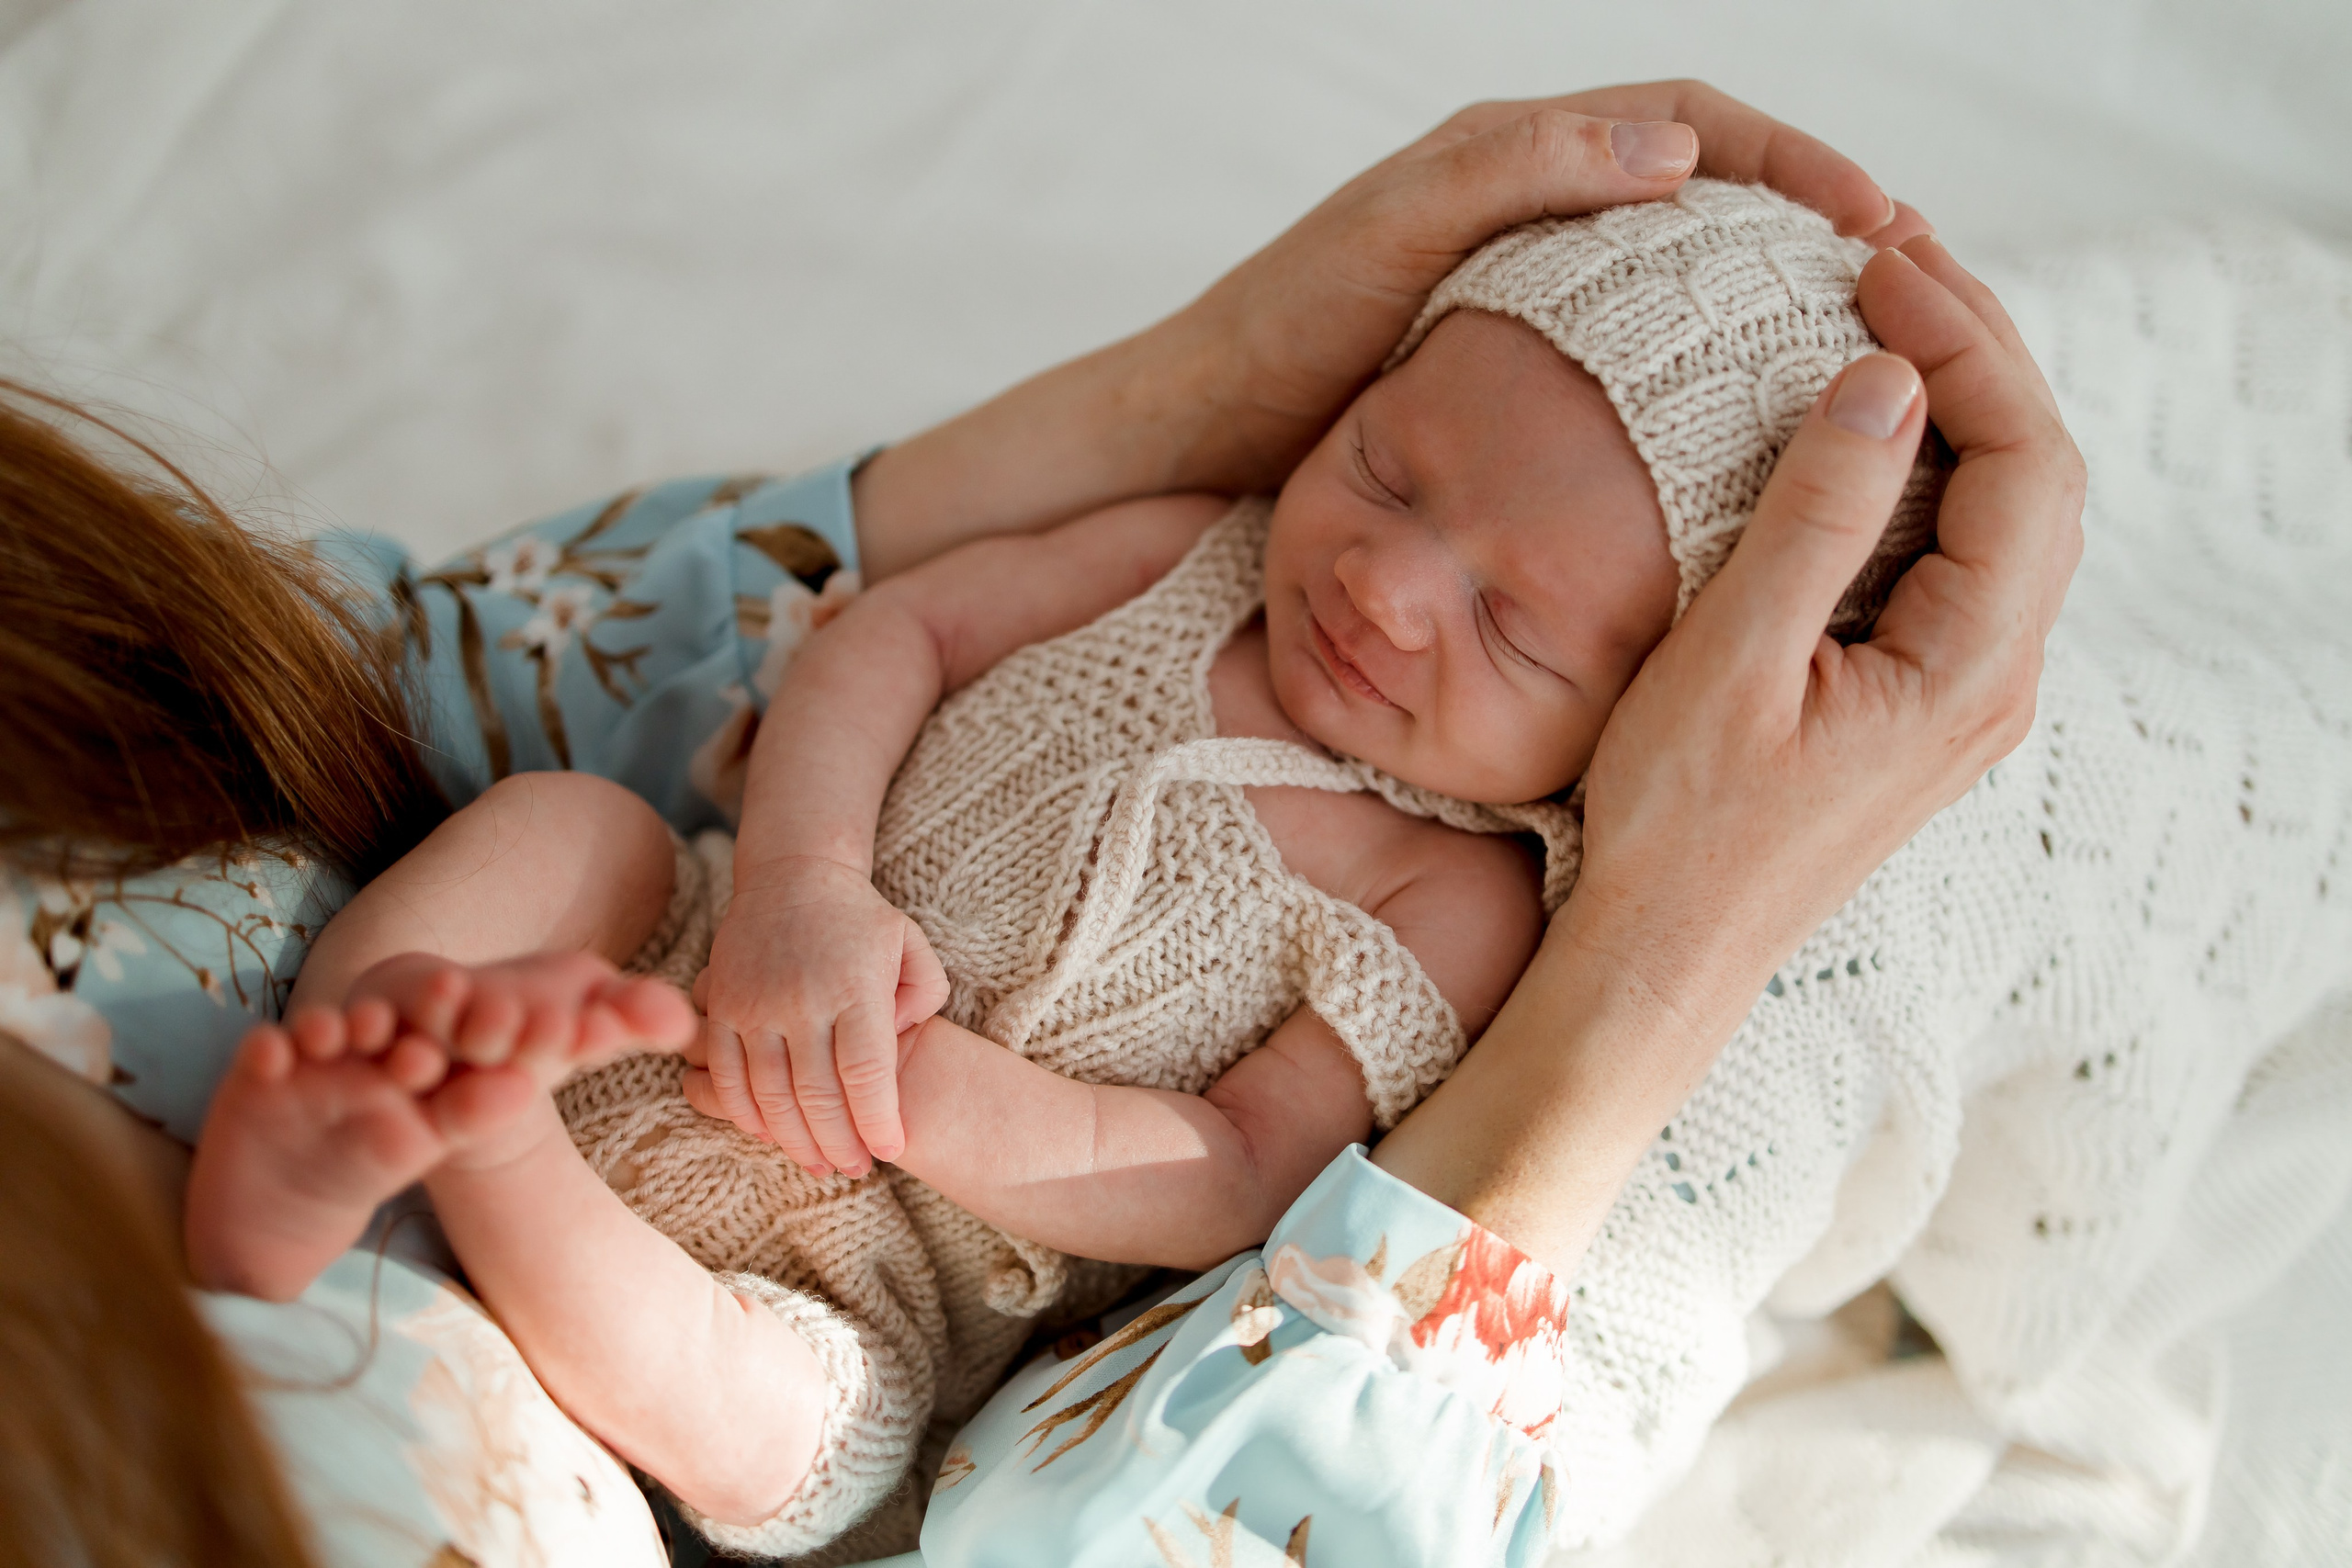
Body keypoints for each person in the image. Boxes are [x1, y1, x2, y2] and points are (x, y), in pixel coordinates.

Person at [0, 82, 2086, 1568]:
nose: (1380, 578)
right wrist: (803, 886)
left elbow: (1236, 1164)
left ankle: (422, 1148)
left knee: (763, 1418)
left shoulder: (1450, 899)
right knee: (563, 823)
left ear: (1639, 727)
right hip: (693, 943)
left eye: (1512, 618)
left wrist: (936, 1105)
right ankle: (376, 1089)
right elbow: (887, 634)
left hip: (867, 1277)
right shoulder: (1186, 551)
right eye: (1382, 466)